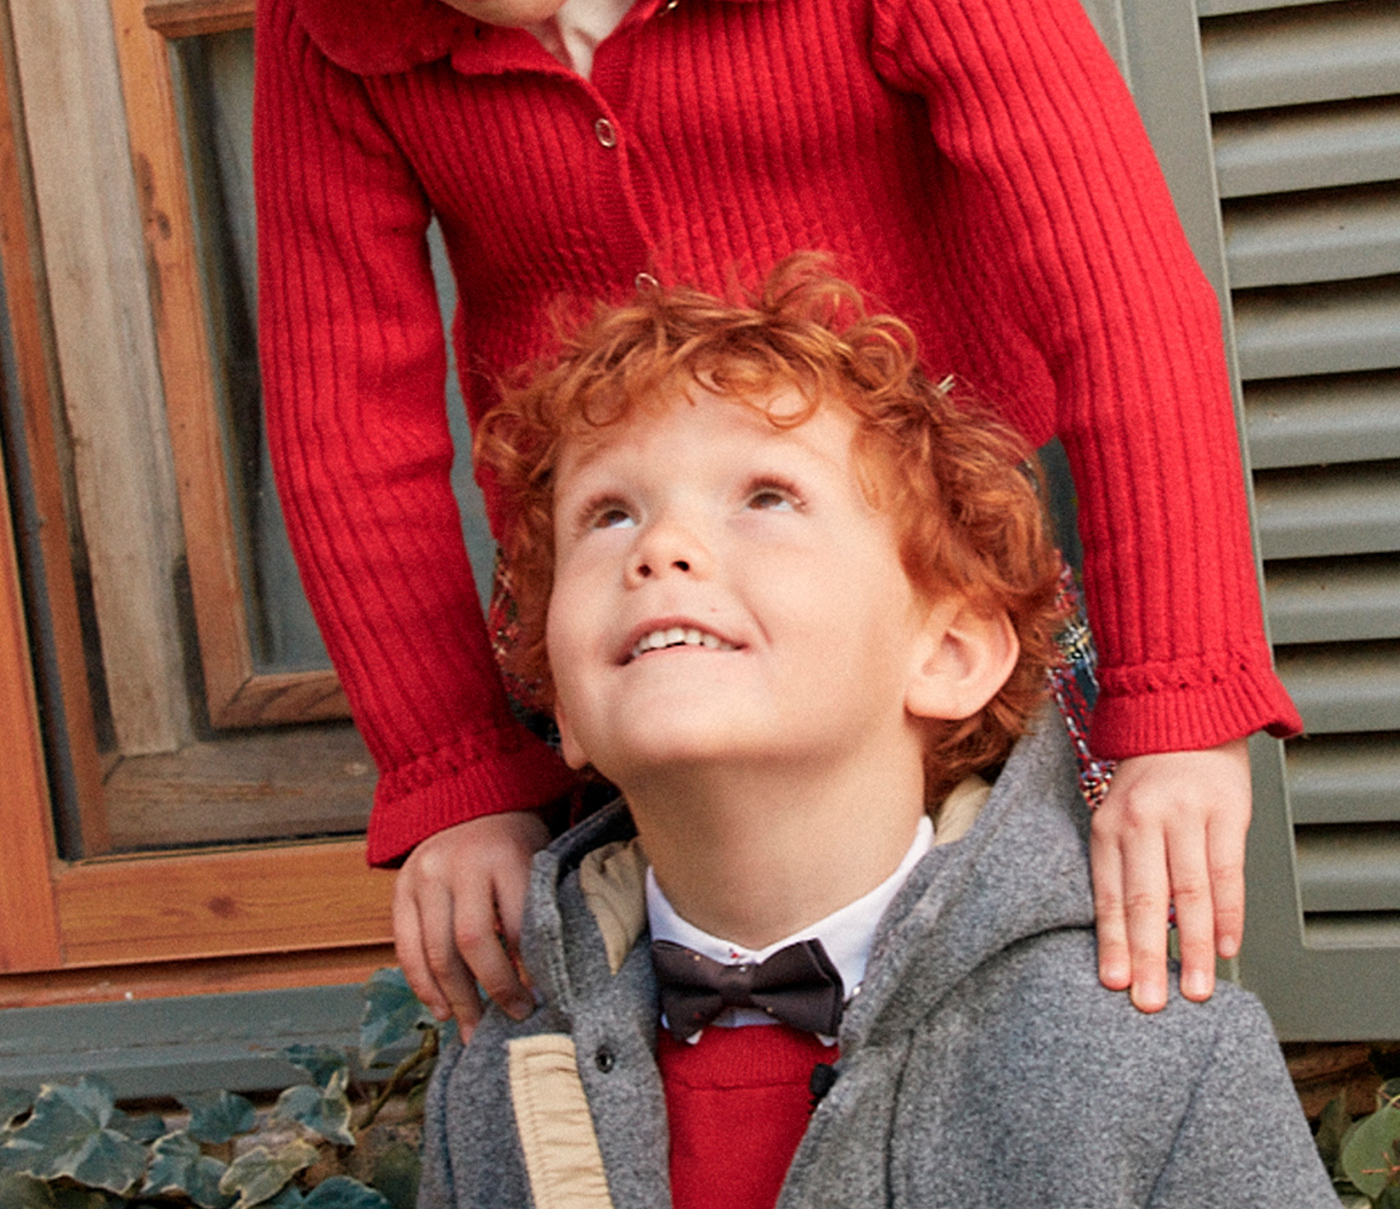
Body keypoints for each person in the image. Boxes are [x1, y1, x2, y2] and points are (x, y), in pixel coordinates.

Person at [134, 0, 1301, 1032]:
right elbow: (346, 421)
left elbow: (1119, 297)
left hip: (947, 637)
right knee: (662, 1069)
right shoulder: (333, 9)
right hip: (649, 665)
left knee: (1056, 1034)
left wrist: (1178, 704)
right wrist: (456, 772)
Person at [419, 261, 1331, 1209]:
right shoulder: (491, 1082)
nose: (660, 547)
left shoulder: (1157, 1063)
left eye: (765, 495)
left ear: (947, 654)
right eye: (609, 514)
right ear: (562, 705)